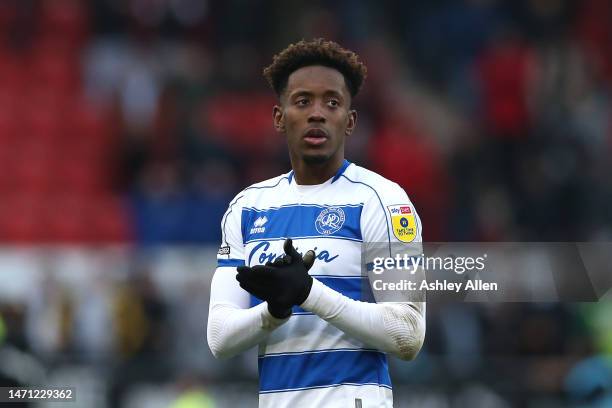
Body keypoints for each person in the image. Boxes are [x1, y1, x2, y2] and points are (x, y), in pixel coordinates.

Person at [207, 38, 425, 408]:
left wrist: (309, 293)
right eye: (303, 101)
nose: (317, 113)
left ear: (350, 121)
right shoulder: (247, 207)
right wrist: (274, 310)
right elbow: (219, 338)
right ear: (280, 117)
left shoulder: (383, 201)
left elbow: (408, 333)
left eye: (333, 102)